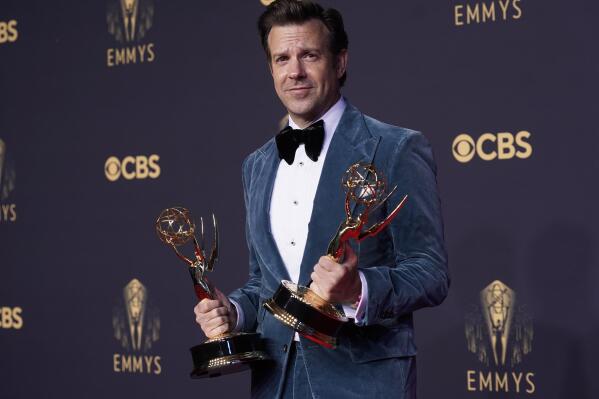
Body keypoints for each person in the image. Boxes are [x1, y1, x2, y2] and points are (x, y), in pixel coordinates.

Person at [194, 1, 449, 397]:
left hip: (364, 382)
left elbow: (430, 273)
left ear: (340, 62)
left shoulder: (396, 149)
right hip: (275, 381)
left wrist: (358, 289)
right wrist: (236, 311)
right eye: (282, 58)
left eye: (309, 55)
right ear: (271, 69)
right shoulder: (256, 165)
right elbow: (265, 280)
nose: (294, 71)